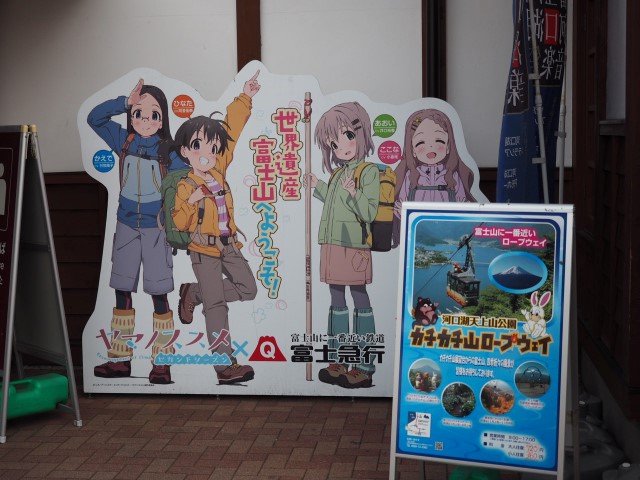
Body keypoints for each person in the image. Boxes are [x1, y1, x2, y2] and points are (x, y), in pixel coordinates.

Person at [87, 80, 188, 384]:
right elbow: (94, 118)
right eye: (138, 113)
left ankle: (162, 363)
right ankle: (120, 360)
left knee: (159, 294)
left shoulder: (169, 150)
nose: (146, 120)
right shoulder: (123, 140)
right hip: (126, 225)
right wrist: (123, 102)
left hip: (157, 229)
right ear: (131, 116)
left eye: (153, 115)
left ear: (163, 118)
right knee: (122, 292)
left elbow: (185, 182)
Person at [171, 71, 260, 385]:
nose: (206, 154)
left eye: (212, 147)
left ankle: (194, 292)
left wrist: (245, 96)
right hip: (203, 250)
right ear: (185, 151)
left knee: (248, 289)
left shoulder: (218, 169)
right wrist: (191, 201)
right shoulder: (186, 185)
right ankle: (224, 365)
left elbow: (231, 129)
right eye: (198, 147)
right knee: (216, 306)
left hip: (229, 245)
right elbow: (179, 222)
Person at [303, 102, 380, 389]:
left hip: (355, 245)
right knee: (336, 299)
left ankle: (364, 365)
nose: (341, 147)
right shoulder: (338, 173)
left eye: (347, 136)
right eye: (333, 144)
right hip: (332, 243)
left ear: (361, 133)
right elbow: (335, 203)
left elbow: (368, 212)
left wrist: (355, 193)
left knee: (360, 298)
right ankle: (339, 360)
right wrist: (317, 185)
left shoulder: (368, 172)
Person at [392, 109, 476, 247]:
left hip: (448, 236)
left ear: (448, 146)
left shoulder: (453, 176)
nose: (430, 146)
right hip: (415, 237)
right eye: (420, 143)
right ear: (412, 150)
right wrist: (403, 213)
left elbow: (463, 204)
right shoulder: (410, 177)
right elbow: (398, 206)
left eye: (439, 140)